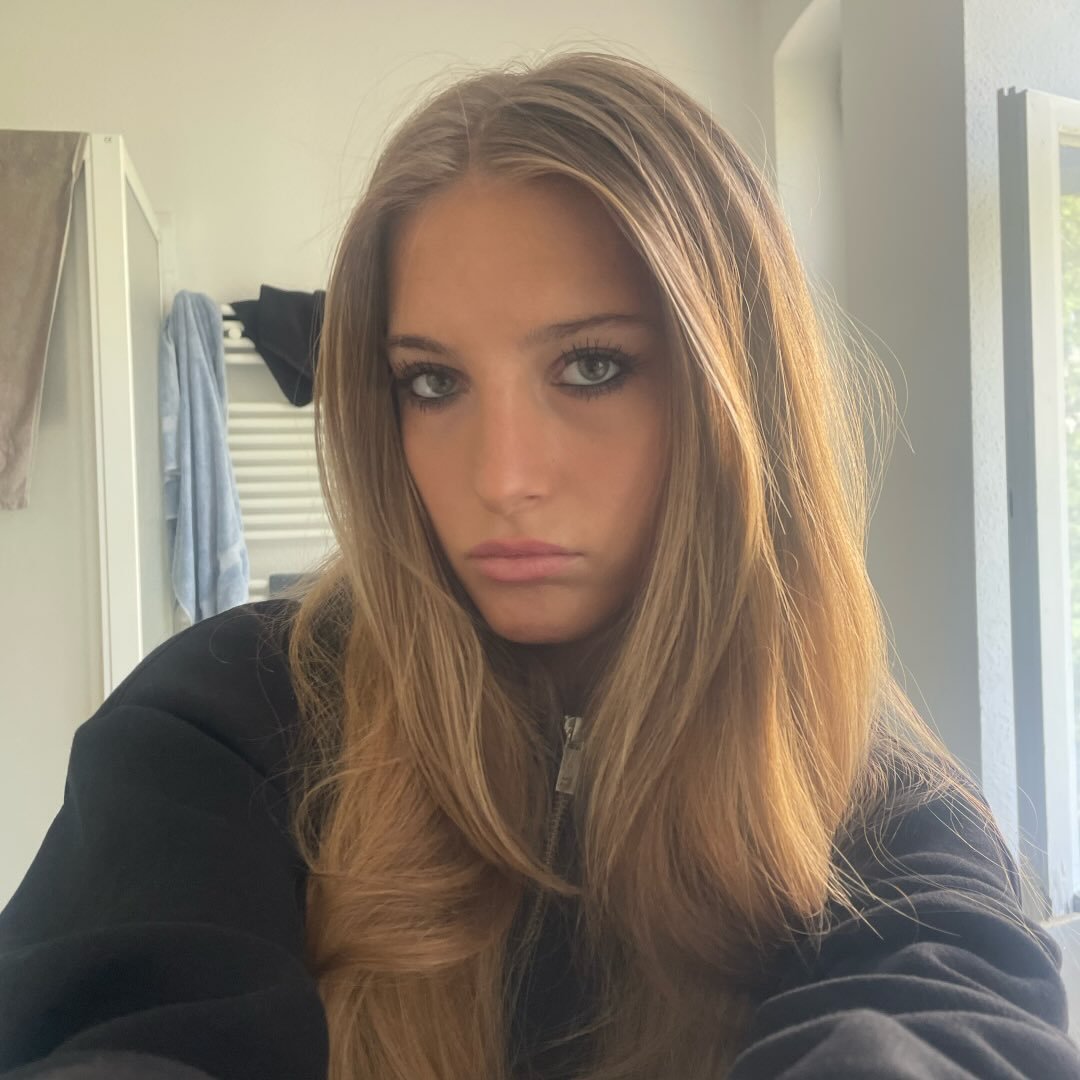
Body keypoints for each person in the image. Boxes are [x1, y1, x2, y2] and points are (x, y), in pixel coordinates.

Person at [1, 49, 1078, 1080]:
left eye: (592, 366)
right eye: (432, 384)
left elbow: (948, 1024)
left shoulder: (874, 806)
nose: (502, 476)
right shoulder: (223, 725)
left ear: (734, 396)